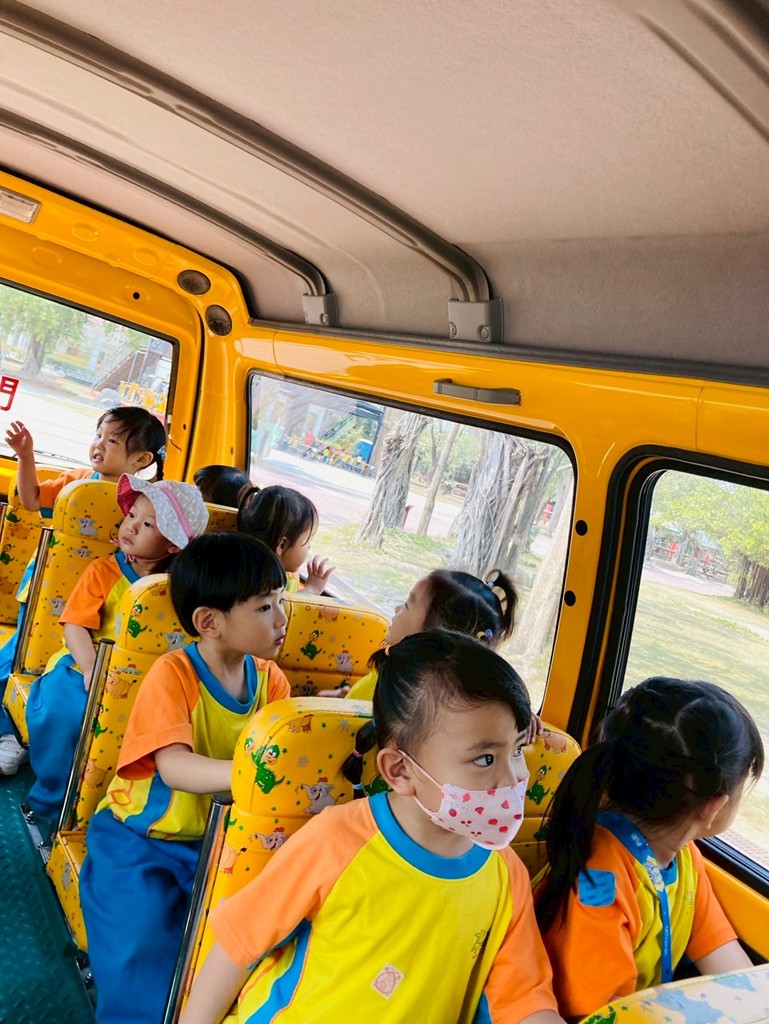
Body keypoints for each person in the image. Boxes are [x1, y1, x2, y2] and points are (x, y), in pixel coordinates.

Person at [180, 630, 565, 1024]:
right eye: (485, 759)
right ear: (400, 771)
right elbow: (239, 944)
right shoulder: (336, 842)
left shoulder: (506, 876)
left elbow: (524, 1001)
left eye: (517, 750)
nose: (515, 778)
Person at [80, 531, 291, 1024]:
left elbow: (285, 760)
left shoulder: (272, 681)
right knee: (140, 938)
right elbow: (174, 767)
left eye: (282, 601)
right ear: (208, 622)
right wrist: (252, 778)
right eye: (265, 607)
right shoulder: (173, 675)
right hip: (142, 838)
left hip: (222, 845)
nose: (282, 619)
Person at [536, 677, 764, 1020]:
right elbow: (602, 1014)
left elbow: (727, 964)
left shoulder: (684, 859)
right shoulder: (599, 884)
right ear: (713, 807)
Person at [25, 475, 208, 822]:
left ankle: (117, 810)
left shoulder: (180, 589)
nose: (132, 527)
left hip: (150, 680)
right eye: (132, 515)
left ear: (172, 545)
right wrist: (92, 669)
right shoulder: (104, 571)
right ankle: (49, 803)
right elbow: (75, 625)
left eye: (148, 524)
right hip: (86, 662)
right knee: (62, 710)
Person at [0, 407, 167, 776]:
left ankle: (20, 737)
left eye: (113, 441)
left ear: (142, 459)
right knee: (13, 661)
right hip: (47, 592)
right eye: (98, 435)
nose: (99, 445)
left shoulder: (149, 504)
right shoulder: (77, 483)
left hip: (105, 597)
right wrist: (26, 456)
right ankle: (10, 732)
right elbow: (31, 499)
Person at [337, 567, 518, 700]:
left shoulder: (393, 686)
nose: (397, 608)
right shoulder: (421, 691)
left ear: (434, 635)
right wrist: (346, 700)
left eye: (407, 605)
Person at [237, 484, 334, 595]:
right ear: (282, 545)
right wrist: (312, 589)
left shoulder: (244, 563)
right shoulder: (264, 585)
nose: (309, 547)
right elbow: (284, 604)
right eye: (307, 541)